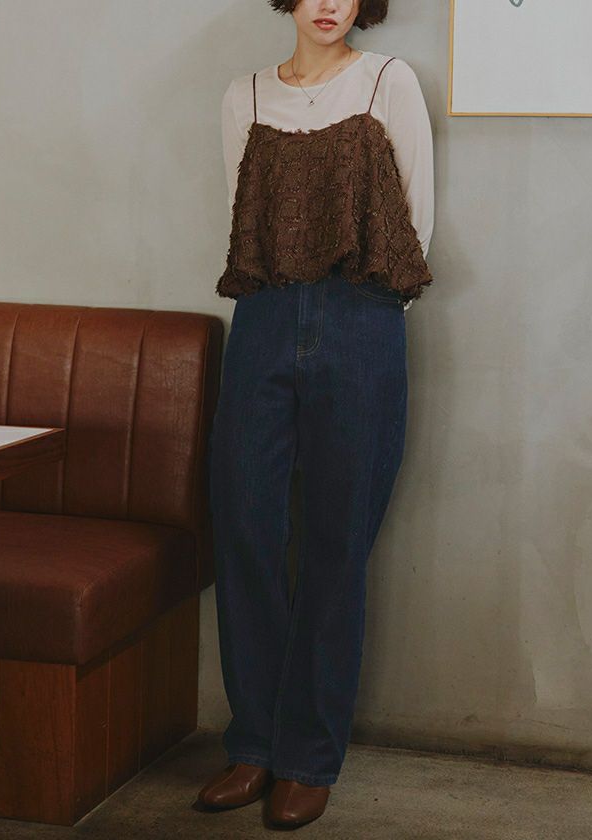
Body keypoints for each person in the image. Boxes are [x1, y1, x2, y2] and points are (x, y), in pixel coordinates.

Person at [196, 0, 435, 829]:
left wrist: (371, 313)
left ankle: (307, 756)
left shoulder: (388, 82)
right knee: (246, 530)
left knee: (337, 543)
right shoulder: (245, 96)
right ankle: (253, 745)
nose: (329, 3)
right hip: (262, 317)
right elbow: (240, 211)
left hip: (363, 318)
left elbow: (415, 215)